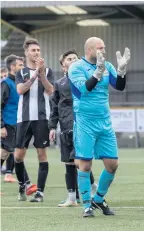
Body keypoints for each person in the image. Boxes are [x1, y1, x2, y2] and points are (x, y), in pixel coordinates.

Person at [68, 37, 130, 217]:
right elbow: (83, 89)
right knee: (85, 165)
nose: (104, 50)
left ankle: (99, 198)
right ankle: (86, 205)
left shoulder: (107, 65)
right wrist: (97, 73)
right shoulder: (76, 67)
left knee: (112, 164)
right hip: (85, 122)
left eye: (104, 47)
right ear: (89, 50)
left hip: (104, 122)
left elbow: (119, 86)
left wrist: (121, 71)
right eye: (100, 48)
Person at [49, 49, 97, 207]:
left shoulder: (86, 79)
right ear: (64, 66)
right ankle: (71, 197)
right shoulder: (59, 84)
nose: (73, 60)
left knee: (79, 161)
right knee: (69, 163)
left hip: (82, 126)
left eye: (75, 58)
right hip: (65, 128)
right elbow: (55, 107)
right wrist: (51, 127)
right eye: (69, 59)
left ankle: (92, 188)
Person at [14, 38, 54, 202]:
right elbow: (20, 90)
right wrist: (34, 75)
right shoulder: (20, 73)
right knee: (18, 156)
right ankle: (23, 184)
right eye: (33, 50)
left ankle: (40, 193)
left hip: (41, 119)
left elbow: (50, 89)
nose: (36, 53)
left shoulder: (48, 71)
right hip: (23, 119)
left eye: (38, 50)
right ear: (26, 53)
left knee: (41, 155)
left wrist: (41, 73)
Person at [1, 55, 37, 196]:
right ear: (12, 67)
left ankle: (25, 184)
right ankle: (27, 184)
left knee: (7, 153)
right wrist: (1, 125)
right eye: (20, 65)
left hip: (18, 123)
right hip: (8, 124)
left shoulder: (18, 82)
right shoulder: (6, 84)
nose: (23, 67)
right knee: (12, 153)